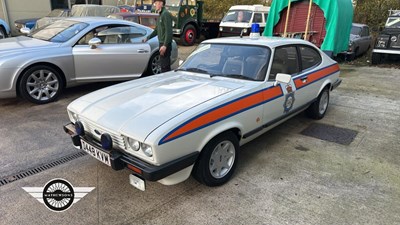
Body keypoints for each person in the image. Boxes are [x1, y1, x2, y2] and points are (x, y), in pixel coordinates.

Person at [142, 0, 173, 73]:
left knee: (165, 68)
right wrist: (147, 38)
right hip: (161, 43)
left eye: (156, 3)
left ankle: (167, 83)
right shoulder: (160, 15)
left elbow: (169, 31)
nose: (154, 5)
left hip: (165, 45)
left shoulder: (166, 14)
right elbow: (156, 30)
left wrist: (165, 46)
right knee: (163, 66)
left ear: (161, 3)